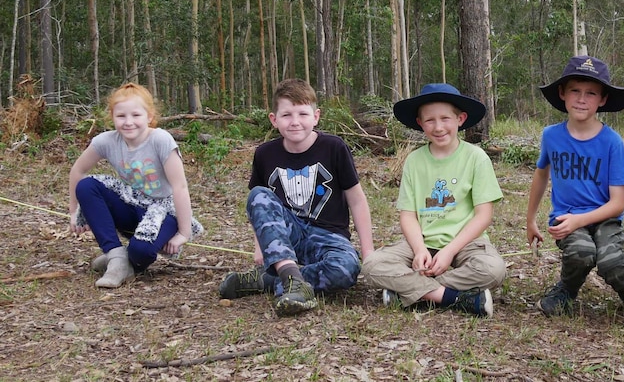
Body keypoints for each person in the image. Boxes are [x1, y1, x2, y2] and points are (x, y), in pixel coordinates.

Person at [525, 56, 624, 325]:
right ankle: (566, 290)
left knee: (611, 261)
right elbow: (541, 173)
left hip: (604, 218)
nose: (582, 99)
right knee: (581, 252)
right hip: (566, 216)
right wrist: (531, 219)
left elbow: (617, 204)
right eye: (575, 91)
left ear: (602, 100)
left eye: (591, 93)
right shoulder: (551, 136)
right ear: (562, 94)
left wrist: (579, 221)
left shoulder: (612, 142)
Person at [218, 78, 374, 317]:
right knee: (258, 194)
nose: (295, 122)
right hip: (287, 236)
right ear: (274, 119)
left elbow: (357, 200)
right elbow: (261, 208)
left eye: (302, 114)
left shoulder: (334, 148)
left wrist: (368, 252)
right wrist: (260, 247)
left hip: (329, 237)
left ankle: (272, 280)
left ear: (316, 116)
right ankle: (292, 278)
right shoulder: (264, 154)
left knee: (346, 269)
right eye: (287, 115)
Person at [360, 83, 506, 317]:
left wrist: (448, 252)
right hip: (423, 240)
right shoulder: (415, 161)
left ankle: (406, 291)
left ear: (461, 118)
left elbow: (484, 215)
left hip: (465, 244)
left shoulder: (476, 157)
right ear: (420, 123)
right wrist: (419, 250)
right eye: (430, 120)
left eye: (445, 118)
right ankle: (450, 297)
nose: (438, 127)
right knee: (372, 265)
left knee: (493, 270)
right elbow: (407, 215)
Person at [69, 83, 203, 288]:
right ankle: (115, 255)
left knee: (142, 252)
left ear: (149, 117)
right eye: (121, 116)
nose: (128, 122)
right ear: (112, 117)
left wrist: (183, 233)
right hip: (130, 202)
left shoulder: (160, 139)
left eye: (136, 115)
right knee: (87, 185)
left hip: (163, 211)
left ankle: (128, 260)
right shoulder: (106, 141)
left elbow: (180, 187)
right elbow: (78, 171)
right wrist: (74, 213)